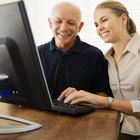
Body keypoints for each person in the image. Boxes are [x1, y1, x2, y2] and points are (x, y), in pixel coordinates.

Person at [58, 1, 140, 139]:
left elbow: (108, 102)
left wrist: (105, 101)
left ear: (123, 19)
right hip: (117, 130)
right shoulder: (107, 59)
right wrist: (83, 97)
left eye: (104, 20)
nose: (100, 28)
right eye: (96, 24)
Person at [38, 2, 112, 99]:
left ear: (80, 27)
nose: (64, 28)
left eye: (71, 23)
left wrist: (83, 97)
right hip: (40, 113)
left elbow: (105, 95)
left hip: (82, 114)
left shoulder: (95, 55)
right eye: (58, 21)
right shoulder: (37, 53)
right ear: (50, 23)